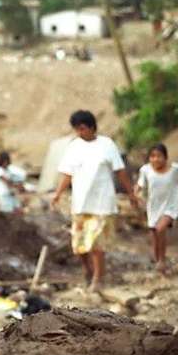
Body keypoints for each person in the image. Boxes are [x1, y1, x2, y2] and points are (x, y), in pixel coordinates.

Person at [52, 110, 139, 292]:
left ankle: (98, 278)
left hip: (102, 202)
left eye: (82, 128)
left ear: (92, 127)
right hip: (80, 202)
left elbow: (120, 171)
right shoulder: (74, 146)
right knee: (79, 244)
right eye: (77, 129)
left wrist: (131, 194)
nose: (80, 132)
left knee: (97, 243)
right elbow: (68, 173)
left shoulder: (106, 145)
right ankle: (88, 271)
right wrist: (58, 194)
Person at [135, 143, 178, 275]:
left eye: (159, 156)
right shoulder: (145, 170)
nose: (156, 159)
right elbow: (140, 185)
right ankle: (159, 264)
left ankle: (162, 260)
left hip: (171, 205)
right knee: (155, 236)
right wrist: (136, 195)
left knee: (160, 228)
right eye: (152, 156)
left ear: (166, 157)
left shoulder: (175, 170)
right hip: (154, 206)